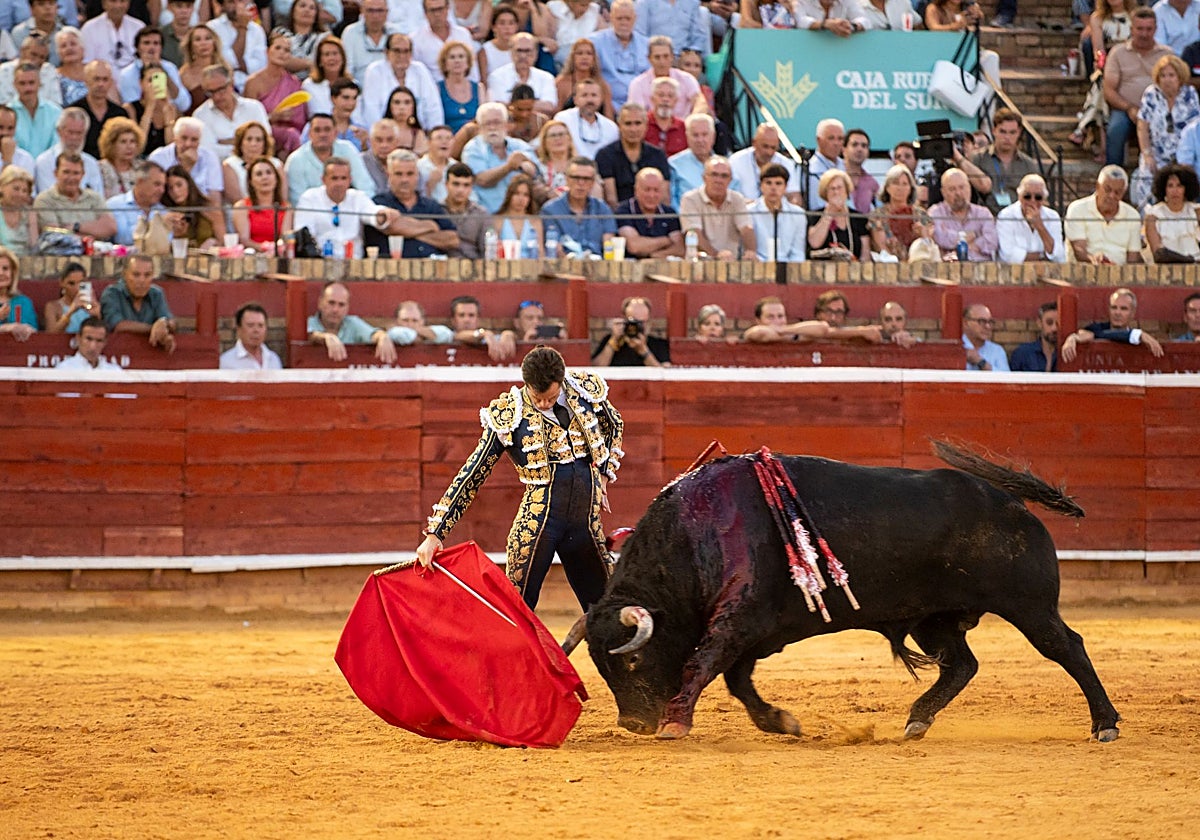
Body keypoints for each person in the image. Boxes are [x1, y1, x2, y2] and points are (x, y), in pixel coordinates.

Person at [415, 345, 624, 611]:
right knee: (517, 611)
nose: (543, 404)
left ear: (561, 381)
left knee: (606, 611)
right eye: (537, 398)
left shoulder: (583, 391)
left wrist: (604, 474)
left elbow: (614, 425)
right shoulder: (509, 414)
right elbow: (472, 473)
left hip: (585, 524)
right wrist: (436, 532)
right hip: (538, 526)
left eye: (550, 398)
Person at [1104, 7, 1173, 167]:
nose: (1144, 34)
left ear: (1155, 29)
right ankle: (1113, 174)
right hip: (1125, 110)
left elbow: (1175, 86)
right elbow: (1109, 90)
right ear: (1131, 29)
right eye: (1139, 29)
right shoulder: (1117, 52)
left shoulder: (1167, 55)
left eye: (1149, 29)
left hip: (1159, 109)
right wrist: (1129, 108)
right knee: (1115, 129)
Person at [293, 157, 401, 257]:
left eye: (343, 178)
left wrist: (384, 214)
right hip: (320, 263)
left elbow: (372, 213)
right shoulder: (309, 198)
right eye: (334, 178)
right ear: (324, 179)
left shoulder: (358, 197)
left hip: (354, 263)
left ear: (350, 180)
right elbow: (304, 234)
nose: (339, 183)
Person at [366, 148, 460, 257]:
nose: (404, 180)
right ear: (388, 175)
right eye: (398, 174)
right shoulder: (378, 203)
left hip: (431, 265)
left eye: (410, 174)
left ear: (417, 175)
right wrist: (430, 226)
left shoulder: (430, 205)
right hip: (390, 266)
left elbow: (453, 240)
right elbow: (391, 227)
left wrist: (407, 231)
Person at [1135, 53, 1200, 201]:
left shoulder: (1189, 94)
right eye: (1163, 76)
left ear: (1179, 77)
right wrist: (1147, 154)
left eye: (1171, 75)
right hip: (1156, 154)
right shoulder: (1151, 94)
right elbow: (1142, 126)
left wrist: (1186, 160)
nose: (1167, 80)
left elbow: (1195, 129)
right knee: (1147, 175)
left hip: (1183, 156)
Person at [460, 100, 541, 212]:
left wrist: (526, 164)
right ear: (479, 126)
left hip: (520, 214)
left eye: (497, 122)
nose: (492, 127)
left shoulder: (520, 146)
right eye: (487, 123)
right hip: (489, 214)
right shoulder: (473, 148)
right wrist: (509, 167)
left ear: (506, 124)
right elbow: (481, 180)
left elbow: (536, 172)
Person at [283, 113, 374, 204]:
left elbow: (366, 187)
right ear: (309, 134)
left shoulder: (347, 149)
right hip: (311, 210)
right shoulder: (296, 159)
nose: (322, 134)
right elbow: (297, 200)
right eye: (317, 130)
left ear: (335, 133)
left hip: (348, 208)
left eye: (327, 130)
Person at [679, 154, 756, 261]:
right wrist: (717, 255)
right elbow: (694, 233)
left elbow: (746, 228)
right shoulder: (690, 199)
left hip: (731, 262)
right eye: (714, 174)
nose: (719, 180)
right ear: (704, 177)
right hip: (700, 263)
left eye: (724, 176)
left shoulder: (737, 198)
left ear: (730, 180)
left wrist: (751, 251)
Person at [362, 33, 443, 132]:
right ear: (386, 52)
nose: (402, 56)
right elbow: (371, 109)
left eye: (406, 51)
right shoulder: (375, 71)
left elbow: (433, 107)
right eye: (397, 51)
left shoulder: (420, 70)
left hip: (418, 131)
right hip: (385, 133)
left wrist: (435, 134)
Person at [1061, 287, 1166, 362]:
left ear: (1132, 313)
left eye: (1123, 309)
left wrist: (1137, 335)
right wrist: (1072, 338)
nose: (1117, 313)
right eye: (1114, 307)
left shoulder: (1136, 337)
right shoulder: (1096, 329)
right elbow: (1089, 334)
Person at [242, 30, 305, 156]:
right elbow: (247, 118)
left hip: (288, 135)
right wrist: (272, 117)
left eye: (287, 50)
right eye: (277, 48)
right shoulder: (253, 82)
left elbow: (299, 118)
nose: (282, 53)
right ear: (267, 51)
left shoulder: (294, 83)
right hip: (261, 134)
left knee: (292, 135)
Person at [596, 103, 671, 207]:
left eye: (638, 123)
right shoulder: (605, 155)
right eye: (628, 124)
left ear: (646, 126)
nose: (633, 129)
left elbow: (664, 196)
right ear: (619, 126)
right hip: (620, 213)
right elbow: (610, 198)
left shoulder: (658, 155)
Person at [1065, 165, 1143, 264]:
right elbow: (1079, 252)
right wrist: (1095, 260)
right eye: (1107, 189)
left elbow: (1133, 259)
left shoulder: (1132, 215)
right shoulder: (1077, 209)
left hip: (1120, 271)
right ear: (1097, 186)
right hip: (1085, 269)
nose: (1112, 196)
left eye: (1117, 192)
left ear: (1124, 193)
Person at [99, 255, 177, 354]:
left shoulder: (156, 293)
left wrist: (164, 323)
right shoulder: (112, 293)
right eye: (136, 275)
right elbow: (118, 325)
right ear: (125, 275)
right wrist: (154, 329)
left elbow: (171, 321)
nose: (142, 280)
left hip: (150, 355)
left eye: (147, 275)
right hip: (118, 353)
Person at [306, 280, 398, 364]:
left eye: (341, 305)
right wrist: (325, 337)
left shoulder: (352, 323)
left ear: (347, 308)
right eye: (331, 303)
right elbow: (309, 335)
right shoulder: (308, 323)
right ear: (320, 303)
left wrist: (382, 336)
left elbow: (372, 334)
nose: (335, 310)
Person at [968, 109, 1040, 216]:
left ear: (1019, 133)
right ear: (994, 131)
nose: (1007, 137)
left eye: (1012, 132)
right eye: (1002, 132)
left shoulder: (1028, 165)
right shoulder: (978, 159)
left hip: (1018, 218)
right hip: (985, 217)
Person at [33, 151, 118, 240]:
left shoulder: (94, 197)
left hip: (99, 248)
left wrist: (76, 227)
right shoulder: (45, 200)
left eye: (76, 173)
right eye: (66, 172)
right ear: (56, 173)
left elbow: (110, 228)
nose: (71, 178)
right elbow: (56, 237)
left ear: (83, 174)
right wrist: (94, 231)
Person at [193, 65, 271, 160]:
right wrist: (246, 144)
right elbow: (208, 151)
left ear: (231, 84)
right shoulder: (200, 115)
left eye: (221, 90)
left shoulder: (254, 107)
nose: (217, 97)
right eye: (211, 92)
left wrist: (226, 142)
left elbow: (266, 140)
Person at [541, 156, 616, 255]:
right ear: (566, 179)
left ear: (593, 182)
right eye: (576, 178)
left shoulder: (602, 209)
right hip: (564, 263)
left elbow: (609, 245)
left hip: (597, 261)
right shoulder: (550, 210)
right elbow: (554, 248)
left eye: (586, 179)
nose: (581, 183)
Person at [587, 0, 650, 111]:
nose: (623, 23)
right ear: (611, 18)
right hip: (606, 105)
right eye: (619, 18)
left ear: (635, 19)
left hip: (642, 106)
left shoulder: (647, 45)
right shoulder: (595, 42)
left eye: (627, 19)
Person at [115, 26, 191, 115]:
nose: (151, 47)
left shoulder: (170, 68)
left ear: (161, 47)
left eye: (156, 43)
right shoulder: (127, 74)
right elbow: (133, 106)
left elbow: (184, 104)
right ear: (137, 47)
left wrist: (163, 72)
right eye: (146, 43)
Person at [625, 35, 703, 121]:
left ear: (672, 57)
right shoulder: (638, 84)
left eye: (666, 56)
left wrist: (693, 120)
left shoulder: (687, 79)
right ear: (649, 59)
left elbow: (700, 103)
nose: (662, 62)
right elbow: (636, 114)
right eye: (657, 57)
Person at [929, 168, 998, 262]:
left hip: (981, 267)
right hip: (947, 267)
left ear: (969, 188)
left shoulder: (983, 213)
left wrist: (959, 247)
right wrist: (970, 237)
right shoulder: (935, 212)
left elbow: (991, 243)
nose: (958, 193)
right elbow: (940, 238)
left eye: (962, 187)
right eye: (952, 189)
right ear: (943, 192)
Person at [71, 59, 134, 160]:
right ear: (86, 81)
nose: (101, 84)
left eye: (105, 80)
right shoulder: (74, 112)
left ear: (111, 82)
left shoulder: (119, 114)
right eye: (96, 79)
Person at [997, 173, 1067, 264]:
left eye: (1038, 197)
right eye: (1027, 196)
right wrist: (1042, 256)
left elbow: (1058, 256)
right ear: (1019, 196)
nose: (1032, 201)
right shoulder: (1006, 215)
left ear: (1044, 199)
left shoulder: (1052, 216)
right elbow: (1008, 255)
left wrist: (1040, 226)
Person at [615, 167, 684, 259]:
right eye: (647, 189)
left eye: (656, 190)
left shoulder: (669, 212)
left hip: (663, 265)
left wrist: (655, 255)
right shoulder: (624, 210)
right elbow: (634, 246)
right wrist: (666, 240)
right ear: (636, 190)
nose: (652, 195)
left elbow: (680, 249)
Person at [33, 106, 103, 195]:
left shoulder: (91, 163)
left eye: (79, 133)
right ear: (59, 131)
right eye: (70, 132)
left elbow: (98, 197)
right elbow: (49, 198)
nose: (74, 138)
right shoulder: (45, 161)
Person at [749, 162, 807, 262]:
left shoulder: (798, 214)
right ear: (761, 186)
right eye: (768, 183)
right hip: (757, 265)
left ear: (786, 187)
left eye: (778, 183)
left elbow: (798, 252)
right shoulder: (749, 212)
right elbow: (748, 251)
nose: (773, 188)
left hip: (789, 267)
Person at [807, 169, 870, 261]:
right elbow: (814, 243)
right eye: (832, 188)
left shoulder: (858, 217)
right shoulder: (815, 216)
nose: (836, 192)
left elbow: (865, 254)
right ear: (825, 193)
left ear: (846, 191)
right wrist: (828, 214)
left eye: (839, 188)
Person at [487, 32, 557, 115]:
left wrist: (514, 105)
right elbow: (499, 106)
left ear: (536, 53)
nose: (523, 56)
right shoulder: (497, 76)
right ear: (511, 52)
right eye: (519, 51)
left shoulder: (546, 77)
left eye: (527, 51)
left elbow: (549, 106)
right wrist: (533, 104)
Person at [107, 159, 171, 248]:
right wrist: (156, 226)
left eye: (163, 186)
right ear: (140, 182)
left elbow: (167, 241)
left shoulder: (163, 211)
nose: (162, 190)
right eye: (157, 184)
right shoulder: (114, 205)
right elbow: (123, 238)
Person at [232, 156, 293, 248]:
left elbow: (285, 238)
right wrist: (264, 248)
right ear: (251, 181)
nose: (265, 177)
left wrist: (274, 249)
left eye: (269, 172)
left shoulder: (286, 207)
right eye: (259, 174)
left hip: (278, 253)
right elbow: (244, 240)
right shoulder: (241, 206)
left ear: (276, 179)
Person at [729, 123, 799, 203]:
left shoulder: (786, 163)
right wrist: (756, 206)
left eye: (773, 148)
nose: (769, 152)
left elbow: (795, 196)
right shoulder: (736, 161)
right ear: (754, 143)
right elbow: (728, 195)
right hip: (744, 208)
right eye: (765, 146)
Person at [591, 295, 668, 367]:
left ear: (649, 322)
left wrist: (644, 351)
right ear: (625, 320)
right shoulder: (611, 341)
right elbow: (596, 369)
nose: (637, 326)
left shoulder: (659, 345)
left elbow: (664, 373)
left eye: (641, 322)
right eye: (633, 322)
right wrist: (613, 341)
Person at [867, 164, 924, 260]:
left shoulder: (921, 215)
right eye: (895, 183)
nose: (900, 188)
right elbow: (881, 247)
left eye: (904, 184)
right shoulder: (877, 215)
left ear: (910, 188)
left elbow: (928, 244)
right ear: (887, 187)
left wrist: (921, 234)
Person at [209, 0, 269, 91]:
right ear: (223, 5)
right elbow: (227, 62)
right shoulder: (213, 27)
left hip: (253, 87)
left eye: (240, 1)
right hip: (223, 86)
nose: (237, 6)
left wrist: (238, 65)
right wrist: (242, 29)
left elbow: (261, 66)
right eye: (231, 2)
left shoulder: (257, 30)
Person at [1146, 163, 1200, 262]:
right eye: (1170, 186)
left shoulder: (1196, 211)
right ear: (1164, 189)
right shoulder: (1153, 215)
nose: (1175, 191)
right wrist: (1188, 260)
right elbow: (1158, 253)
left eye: (1179, 186)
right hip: (1167, 268)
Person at [222, 120, 285, 204]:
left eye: (258, 140)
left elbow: (282, 198)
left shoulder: (276, 164)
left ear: (265, 143)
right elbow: (236, 200)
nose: (253, 144)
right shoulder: (230, 165)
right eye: (249, 139)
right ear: (240, 142)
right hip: (242, 210)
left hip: (274, 210)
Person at [11, 61, 62, 158]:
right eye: (22, 83)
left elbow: (57, 147)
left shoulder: (55, 112)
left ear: (39, 83)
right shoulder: (6, 114)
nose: (28, 88)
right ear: (14, 85)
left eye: (31, 83)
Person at [441, 162, 491, 258]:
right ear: (446, 185)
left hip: (473, 264)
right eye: (456, 184)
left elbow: (486, 250)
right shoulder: (436, 210)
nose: (461, 190)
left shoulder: (481, 214)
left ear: (471, 187)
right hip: (441, 264)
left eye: (466, 185)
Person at [554, 38, 613, 118]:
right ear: (573, 57)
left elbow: (609, 116)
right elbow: (556, 114)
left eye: (589, 53)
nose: (584, 57)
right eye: (580, 53)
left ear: (594, 58)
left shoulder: (603, 85)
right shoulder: (561, 82)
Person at [178, 25, 230, 116]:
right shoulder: (184, 74)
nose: (203, 43)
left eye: (208, 38)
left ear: (214, 43)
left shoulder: (225, 69)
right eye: (198, 39)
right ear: (191, 46)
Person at [163, 164, 219, 248]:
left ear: (188, 184)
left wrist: (213, 242)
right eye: (170, 188)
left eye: (179, 185)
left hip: (208, 254)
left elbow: (223, 240)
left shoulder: (208, 207)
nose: (175, 191)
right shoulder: (169, 213)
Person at [449, 294, 518, 361]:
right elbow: (457, 336)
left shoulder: (488, 338)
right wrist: (483, 333)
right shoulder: (447, 336)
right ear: (453, 320)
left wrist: (508, 334)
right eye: (461, 315)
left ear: (478, 320)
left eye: (471, 315)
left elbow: (511, 337)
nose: (467, 320)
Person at [80, 0, 143, 72]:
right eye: (113, 1)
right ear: (104, 4)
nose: (118, 5)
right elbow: (87, 63)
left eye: (122, 1)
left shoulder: (138, 27)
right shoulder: (89, 28)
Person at [668, 112, 715, 207]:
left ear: (713, 136)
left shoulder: (724, 166)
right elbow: (671, 201)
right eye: (695, 135)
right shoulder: (674, 164)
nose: (700, 140)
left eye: (704, 134)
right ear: (687, 137)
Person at [220, 302, 283, 370]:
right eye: (250, 325)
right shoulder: (226, 361)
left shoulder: (274, 359)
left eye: (260, 325)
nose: (256, 330)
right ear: (239, 329)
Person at [741, 295, 831, 343]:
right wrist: (788, 334)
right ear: (758, 320)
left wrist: (783, 330)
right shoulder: (753, 332)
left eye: (780, 316)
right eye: (770, 317)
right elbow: (759, 333)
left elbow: (822, 327)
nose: (777, 321)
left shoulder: (791, 333)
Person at [438, 40, 482, 134]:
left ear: (468, 62)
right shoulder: (437, 89)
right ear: (445, 64)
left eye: (461, 56)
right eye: (452, 57)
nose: (457, 61)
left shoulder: (479, 88)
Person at [342, 0, 392, 82]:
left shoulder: (396, 33)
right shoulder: (350, 33)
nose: (375, 16)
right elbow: (347, 69)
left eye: (380, 10)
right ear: (362, 11)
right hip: (358, 86)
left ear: (387, 12)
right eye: (370, 10)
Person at [97, 116, 144, 198]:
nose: (129, 147)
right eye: (123, 142)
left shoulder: (142, 168)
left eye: (132, 141)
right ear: (111, 145)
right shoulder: (100, 169)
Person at [0, 244, 39, 340]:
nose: (1, 273)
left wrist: (27, 329)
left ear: (13, 273)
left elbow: (35, 333)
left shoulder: (24, 302)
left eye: (5, 268)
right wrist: (6, 328)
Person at [56, 315, 123, 370]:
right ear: (78, 338)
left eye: (99, 340)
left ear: (105, 342)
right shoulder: (64, 369)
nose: (93, 346)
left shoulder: (115, 371)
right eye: (89, 339)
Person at [1009, 302, 1059, 373]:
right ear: (1039, 323)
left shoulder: (1069, 354)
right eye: (1049, 322)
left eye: (1058, 323)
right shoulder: (1023, 353)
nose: (1054, 328)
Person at [644, 77, 687, 156]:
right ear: (652, 99)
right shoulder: (642, 123)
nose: (665, 99)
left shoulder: (683, 127)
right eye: (661, 95)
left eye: (670, 96)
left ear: (676, 100)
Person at [0, 165, 37, 255]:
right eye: (16, 189)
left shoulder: (30, 213)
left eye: (25, 191)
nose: (20, 194)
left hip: (27, 261)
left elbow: (35, 247)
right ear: (1, 187)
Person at [962, 303, 1009, 371]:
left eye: (990, 322)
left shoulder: (997, 351)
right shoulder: (955, 348)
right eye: (981, 321)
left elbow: (1005, 376)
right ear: (966, 323)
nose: (988, 326)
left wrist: (981, 362)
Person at [387, 299, 456, 346]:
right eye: (405, 320)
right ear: (397, 321)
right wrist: (424, 336)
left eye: (415, 320)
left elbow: (445, 334)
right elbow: (398, 334)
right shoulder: (394, 331)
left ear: (422, 321)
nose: (410, 324)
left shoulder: (439, 330)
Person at [842, 128, 877, 215]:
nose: (860, 149)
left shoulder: (872, 183)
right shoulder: (833, 177)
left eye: (864, 146)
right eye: (854, 145)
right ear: (844, 150)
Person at [362, 118, 401, 194]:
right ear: (370, 141)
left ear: (397, 142)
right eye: (379, 140)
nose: (384, 145)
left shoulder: (406, 162)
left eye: (389, 140)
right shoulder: (360, 162)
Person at [0, 106, 36, 178]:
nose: (5, 132)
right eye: (0, 127)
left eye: (10, 128)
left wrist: (7, 161)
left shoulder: (25, 159)